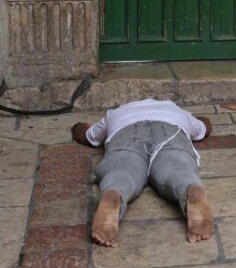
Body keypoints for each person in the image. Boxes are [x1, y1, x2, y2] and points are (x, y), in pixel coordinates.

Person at [70, 99, 215, 247]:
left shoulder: (114, 114)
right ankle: (189, 187)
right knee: (176, 169)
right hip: (170, 132)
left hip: (126, 134)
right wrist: (203, 120)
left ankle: (114, 192)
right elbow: (205, 128)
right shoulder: (177, 110)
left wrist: (77, 128)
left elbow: (88, 136)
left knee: (122, 171)